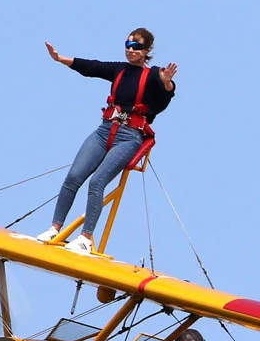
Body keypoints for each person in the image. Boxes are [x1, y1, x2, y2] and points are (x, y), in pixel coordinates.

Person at [37, 29, 178, 255]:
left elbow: (164, 98)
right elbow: (92, 67)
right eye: (128, 44)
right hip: (105, 130)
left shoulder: (153, 76)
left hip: (129, 137)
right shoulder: (119, 70)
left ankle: (85, 237)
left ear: (147, 51)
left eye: (137, 46)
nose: (131, 49)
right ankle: (55, 228)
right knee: (74, 177)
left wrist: (167, 84)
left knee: (97, 181)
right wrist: (60, 59)